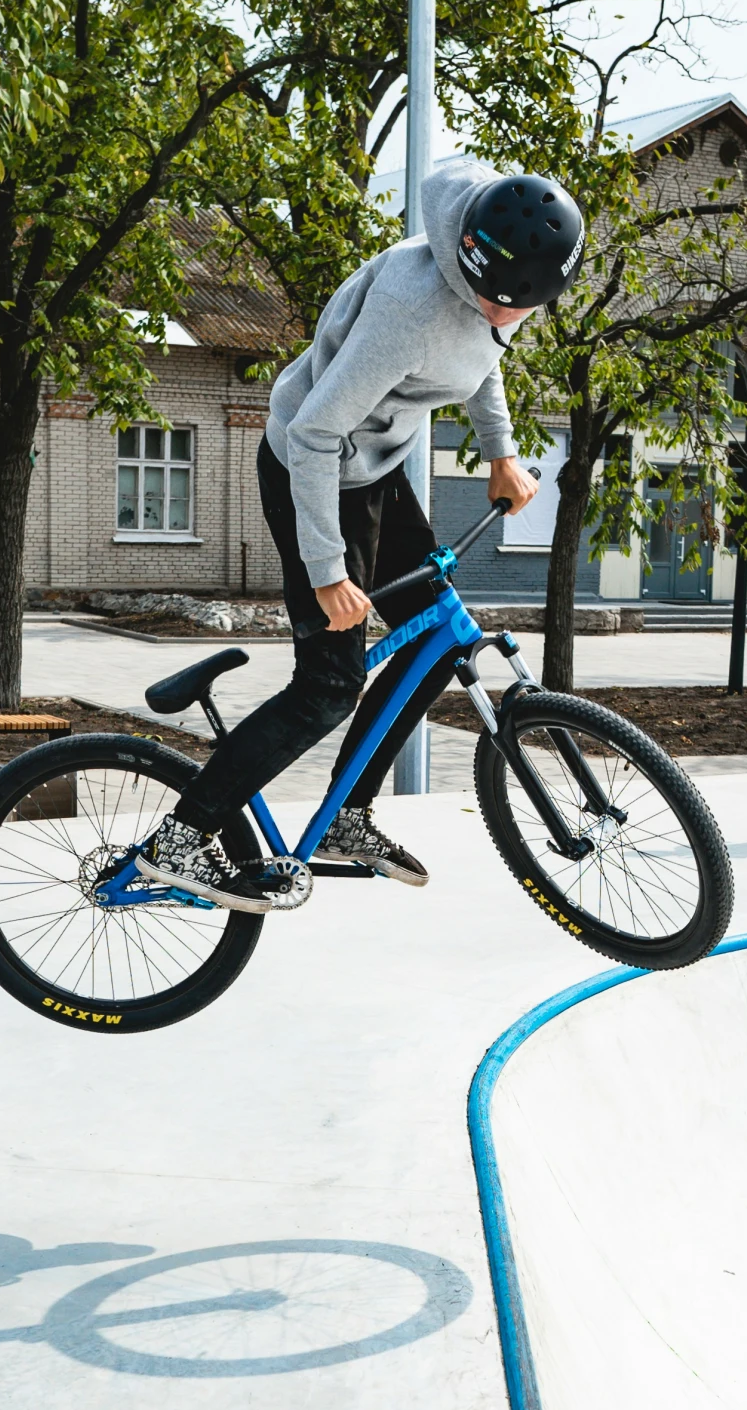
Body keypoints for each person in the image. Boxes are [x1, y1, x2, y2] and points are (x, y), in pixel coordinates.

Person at [133, 162, 584, 910]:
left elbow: (482, 357)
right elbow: (312, 434)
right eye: (504, 307)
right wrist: (327, 571)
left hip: (373, 471)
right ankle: (180, 837)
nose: (512, 322)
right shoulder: (412, 310)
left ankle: (348, 816)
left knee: (435, 642)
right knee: (328, 686)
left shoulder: (493, 265)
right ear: (476, 272)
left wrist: (500, 452)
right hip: (310, 468)